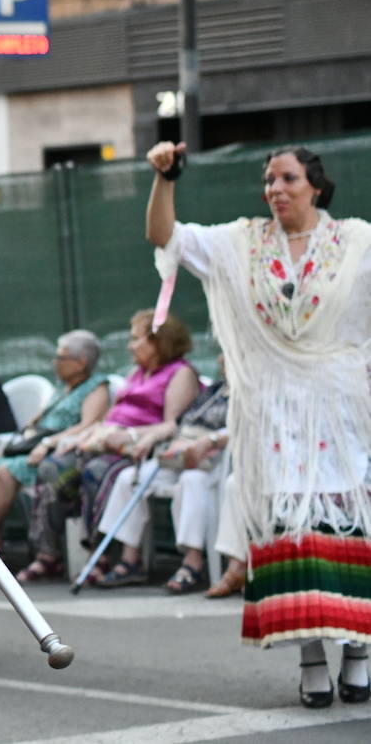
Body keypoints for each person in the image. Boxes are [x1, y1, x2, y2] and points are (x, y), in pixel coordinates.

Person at [146, 142, 371, 708]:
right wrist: (164, 179)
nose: (275, 189)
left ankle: (360, 649)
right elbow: (164, 236)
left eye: (287, 178)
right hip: (271, 413)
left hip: (341, 412)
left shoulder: (359, 242)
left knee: (343, 522)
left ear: (315, 186)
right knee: (289, 529)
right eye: (268, 180)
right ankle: (312, 658)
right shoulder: (241, 242)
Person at [16, 310, 199, 584]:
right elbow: (108, 419)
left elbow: (172, 425)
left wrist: (129, 435)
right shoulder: (137, 374)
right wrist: (83, 436)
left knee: (96, 472)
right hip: (104, 443)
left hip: (134, 450)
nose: (130, 346)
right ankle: (48, 554)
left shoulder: (181, 373)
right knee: (53, 468)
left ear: (158, 341)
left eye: (136, 339)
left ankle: (99, 555)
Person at [0, 330, 111, 564]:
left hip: (58, 454)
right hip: (35, 449)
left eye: (61, 358)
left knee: (6, 472)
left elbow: (88, 425)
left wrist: (47, 442)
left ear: (81, 362)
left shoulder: (97, 387)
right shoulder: (62, 387)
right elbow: (41, 418)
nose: (55, 363)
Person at [90, 368, 230, 593]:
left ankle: (193, 562)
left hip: (216, 459)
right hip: (180, 450)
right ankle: (130, 559)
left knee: (191, 481)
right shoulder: (213, 390)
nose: (222, 359)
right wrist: (152, 439)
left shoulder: (247, 390)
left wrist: (207, 442)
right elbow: (178, 423)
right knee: (130, 477)